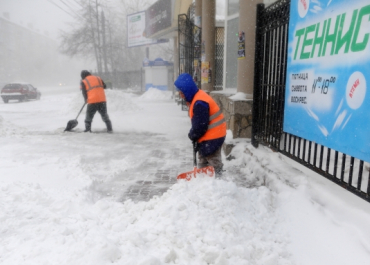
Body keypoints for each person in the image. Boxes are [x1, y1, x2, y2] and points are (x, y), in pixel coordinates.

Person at [174, 73, 226, 177]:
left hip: (214, 135)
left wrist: (193, 134)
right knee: (203, 156)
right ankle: (203, 177)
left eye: (181, 92)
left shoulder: (199, 102)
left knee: (212, 159)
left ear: (187, 90)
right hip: (210, 134)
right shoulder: (197, 97)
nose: (180, 94)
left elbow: (200, 125)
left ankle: (218, 180)